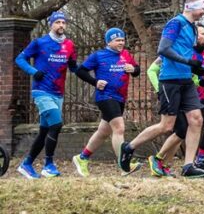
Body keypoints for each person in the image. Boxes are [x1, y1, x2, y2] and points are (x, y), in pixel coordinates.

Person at [118, 0, 204, 178]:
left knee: (196, 120)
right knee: (166, 126)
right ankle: (128, 147)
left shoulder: (193, 28)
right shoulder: (175, 23)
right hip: (170, 80)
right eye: (202, 8)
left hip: (186, 80)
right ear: (190, 6)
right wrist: (187, 61)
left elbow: (185, 52)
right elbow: (163, 49)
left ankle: (188, 166)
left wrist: (198, 69)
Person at [146, 24, 204, 176]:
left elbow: (191, 76)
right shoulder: (179, 50)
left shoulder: (203, 54)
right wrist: (159, 90)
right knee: (180, 130)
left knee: (200, 127)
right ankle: (156, 159)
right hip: (178, 95)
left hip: (196, 97)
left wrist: (202, 81)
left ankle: (170, 164)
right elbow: (152, 70)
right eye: (202, 33)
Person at [15, 11, 79, 179]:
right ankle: (48, 165)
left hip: (58, 93)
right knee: (56, 124)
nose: (61, 25)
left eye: (63, 23)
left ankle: (27, 164)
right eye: (57, 22)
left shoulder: (69, 45)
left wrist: (93, 70)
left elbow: (74, 67)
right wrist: (33, 71)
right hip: (41, 91)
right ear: (51, 24)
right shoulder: (40, 43)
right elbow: (20, 59)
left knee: (45, 131)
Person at [72, 28, 141, 176]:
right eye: (117, 40)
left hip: (120, 98)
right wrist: (95, 82)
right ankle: (124, 166)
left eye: (122, 40)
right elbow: (80, 71)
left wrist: (133, 69)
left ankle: (82, 158)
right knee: (119, 128)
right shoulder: (99, 56)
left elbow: (137, 69)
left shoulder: (126, 55)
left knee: (103, 132)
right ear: (109, 41)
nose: (121, 43)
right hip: (105, 97)